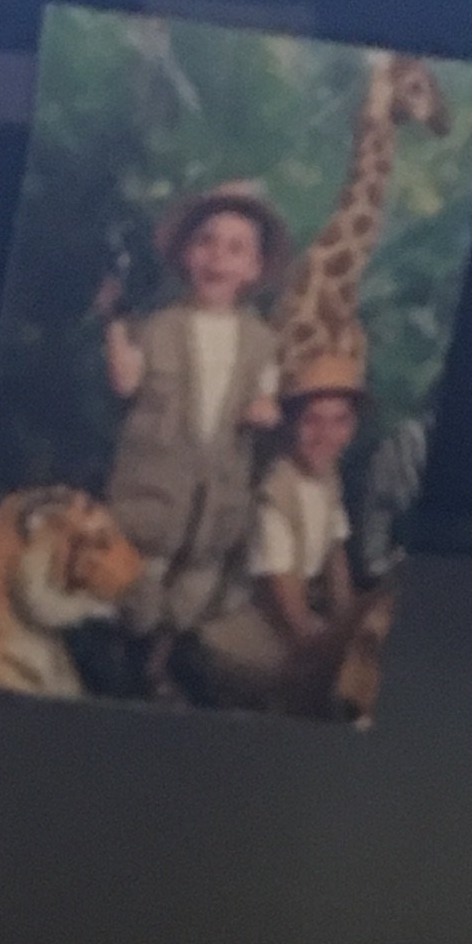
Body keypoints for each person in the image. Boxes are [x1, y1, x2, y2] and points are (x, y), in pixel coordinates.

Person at [99, 184, 288, 680]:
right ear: (186, 253)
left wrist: (266, 409)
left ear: (253, 269)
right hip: (153, 493)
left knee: (192, 592)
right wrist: (114, 323)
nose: (218, 258)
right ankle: (122, 661)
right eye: (206, 241)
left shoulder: (261, 341)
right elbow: (126, 381)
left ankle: (160, 665)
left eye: (235, 248)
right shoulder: (159, 327)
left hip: (217, 501)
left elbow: (268, 395)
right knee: (137, 588)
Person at [187, 347, 375, 717]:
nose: (326, 435)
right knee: (306, 680)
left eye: (340, 421)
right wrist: (329, 651)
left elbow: (335, 554)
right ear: (290, 423)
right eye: (312, 421)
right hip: (254, 616)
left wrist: (350, 625)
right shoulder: (275, 493)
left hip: (298, 610)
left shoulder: (327, 475)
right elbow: (283, 598)